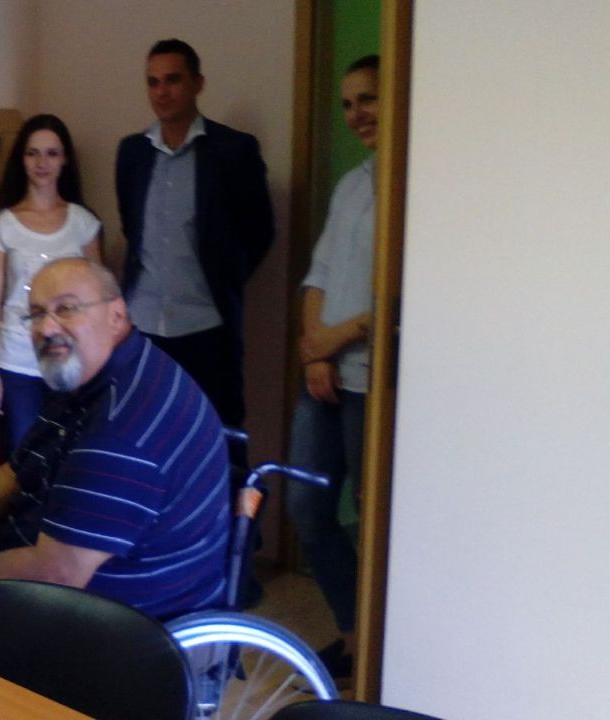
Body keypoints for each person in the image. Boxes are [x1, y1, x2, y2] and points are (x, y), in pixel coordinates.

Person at [0, 257, 230, 650]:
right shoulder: (92, 377)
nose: (47, 328)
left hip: (118, 629)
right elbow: (14, 479)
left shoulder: (121, 430)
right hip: (55, 565)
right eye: (36, 314)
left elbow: (57, 573)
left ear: (116, 315)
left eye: (66, 308)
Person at [116, 38, 275, 428]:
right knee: (144, 432)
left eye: (173, 80)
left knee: (217, 433)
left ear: (197, 84)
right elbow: (132, 228)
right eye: (153, 82)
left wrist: (226, 278)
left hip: (206, 327)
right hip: (144, 326)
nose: (162, 92)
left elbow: (260, 231)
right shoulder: (132, 153)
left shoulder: (233, 150)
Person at [286, 54, 380, 681]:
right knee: (306, 507)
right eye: (347, 103)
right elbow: (318, 273)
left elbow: (397, 298)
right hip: (325, 378)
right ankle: (352, 633)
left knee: (375, 520)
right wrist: (314, 348)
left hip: (372, 381)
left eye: (367, 99)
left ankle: (374, 649)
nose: (355, 114)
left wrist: (330, 343)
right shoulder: (351, 184)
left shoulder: (415, 185)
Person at [0, 114, 101, 456]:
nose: (42, 163)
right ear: (22, 160)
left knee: (69, 456)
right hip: (16, 357)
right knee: (22, 457)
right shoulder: (5, 223)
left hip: (70, 358)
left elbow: (98, 298)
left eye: (51, 153)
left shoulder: (83, 223)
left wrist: (96, 363)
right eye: (33, 153)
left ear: (64, 160)